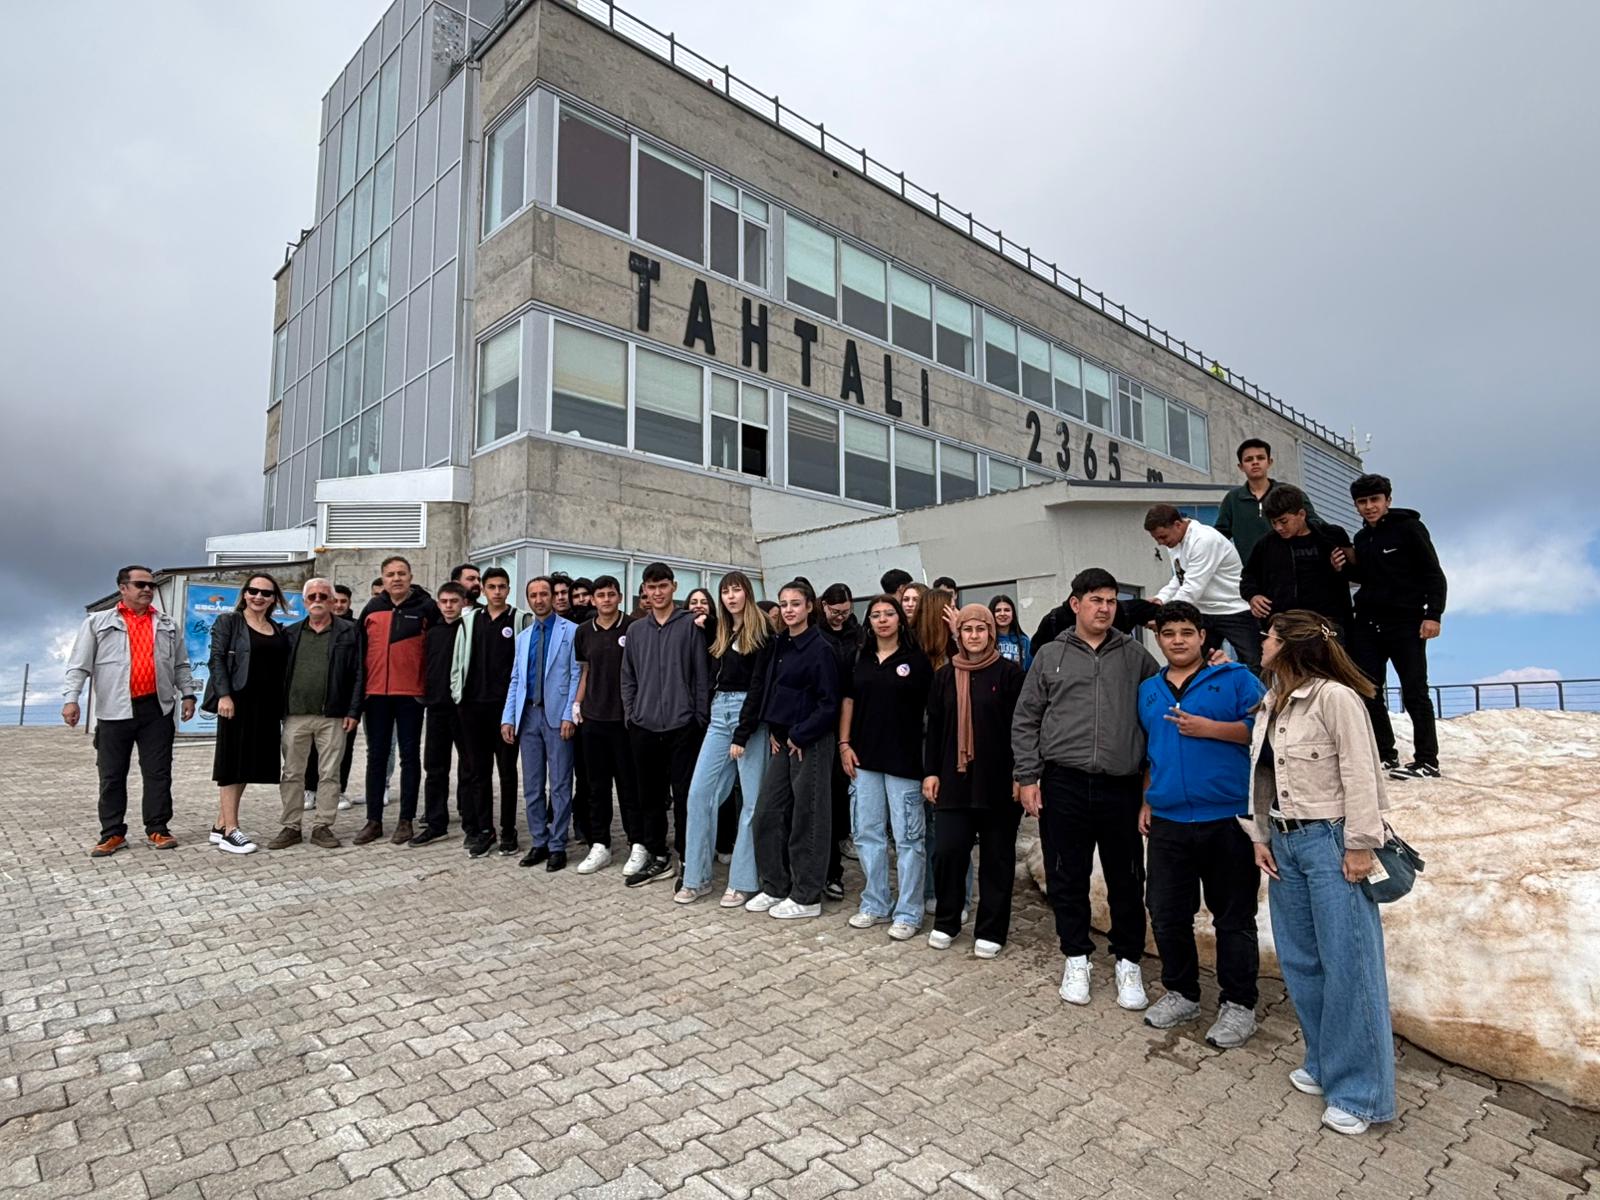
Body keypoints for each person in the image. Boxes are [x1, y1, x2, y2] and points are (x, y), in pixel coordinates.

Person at [1245, 610, 1395, 1136]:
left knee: (1349, 964)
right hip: (1285, 842)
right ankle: (1325, 1061)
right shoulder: (1273, 701)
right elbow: (1261, 774)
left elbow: (1362, 772)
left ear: (1290, 645)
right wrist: (1260, 835)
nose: (1262, 642)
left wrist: (1360, 845)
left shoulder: (1336, 698)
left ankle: (1361, 1093)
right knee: (1303, 962)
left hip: (1331, 841)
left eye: (1269, 636)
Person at [1013, 567, 1159, 1010]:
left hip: (1121, 785)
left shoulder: (1136, 657)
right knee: (1067, 875)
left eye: (1111, 601)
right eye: (1096, 600)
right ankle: (1076, 957)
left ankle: (1128, 962)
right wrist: (1027, 777)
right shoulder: (1050, 655)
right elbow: (1026, 718)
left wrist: (1150, 790)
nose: (1105, 608)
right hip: (1064, 783)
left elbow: (1159, 716)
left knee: (1127, 878)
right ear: (1075, 604)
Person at [1136, 602, 1266, 1046]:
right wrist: (1147, 798)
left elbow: (1264, 731)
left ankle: (1239, 1004)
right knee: (1166, 911)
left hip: (1227, 818)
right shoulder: (1149, 690)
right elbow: (1150, 751)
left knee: (1233, 917)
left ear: (1203, 636)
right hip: (1169, 820)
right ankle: (1182, 992)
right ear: (1158, 638)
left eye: (1187, 632)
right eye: (1169, 633)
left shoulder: (1235, 678)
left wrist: (1211, 728)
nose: (1178, 640)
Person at [63, 565, 197, 856]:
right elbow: (79, 664)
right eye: (140, 584)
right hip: (114, 710)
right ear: (123, 588)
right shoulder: (97, 622)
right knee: (111, 775)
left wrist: (188, 694)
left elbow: (180, 664)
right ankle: (112, 833)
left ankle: (158, 828)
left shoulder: (166, 624)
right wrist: (71, 699)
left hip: (156, 709)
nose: (148, 589)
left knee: (158, 773)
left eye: (151, 585)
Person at [923, 604, 1025, 957]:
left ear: (991, 633)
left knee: (997, 859)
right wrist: (931, 772)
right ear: (959, 634)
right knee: (948, 852)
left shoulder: (1010, 674)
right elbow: (934, 727)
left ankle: (991, 930)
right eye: (968, 629)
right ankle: (947, 921)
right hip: (954, 780)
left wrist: (1022, 775)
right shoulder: (943, 676)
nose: (974, 635)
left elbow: (1022, 729)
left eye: (981, 629)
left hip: (999, 782)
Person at [1341, 474, 1448, 779]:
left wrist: (1434, 614)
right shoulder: (1362, 538)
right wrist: (1344, 568)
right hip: (1367, 623)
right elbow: (1370, 576)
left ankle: (1427, 760)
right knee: (1368, 691)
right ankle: (1385, 755)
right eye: (1362, 502)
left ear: (1387, 500)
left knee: (1415, 692)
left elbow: (1433, 573)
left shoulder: (1410, 529)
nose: (1369, 506)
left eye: (1375, 500)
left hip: (1406, 622)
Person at [745, 580, 841, 919]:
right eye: (784, 604)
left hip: (809, 742)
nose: (788, 610)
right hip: (783, 741)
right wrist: (776, 729)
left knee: (808, 818)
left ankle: (806, 895)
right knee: (766, 814)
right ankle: (775, 885)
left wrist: (800, 734)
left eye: (795, 603)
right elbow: (774, 690)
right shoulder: (779, 644)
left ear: (810, 607)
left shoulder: (821, 648)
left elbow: (829, 704)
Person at [839, 595, 932, 939]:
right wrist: (844, 744)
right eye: (875, 615)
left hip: (904, 762)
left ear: (900, 620)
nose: (882, 620)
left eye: (888, 614)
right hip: (864, 760)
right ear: (869, 622)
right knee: (868, 834)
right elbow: (848, 701)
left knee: (908, 839)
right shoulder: (859, 659)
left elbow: (931, 713)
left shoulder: (917, 661)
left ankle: (909, 912)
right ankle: (876, 903)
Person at [676, 571, 772, 905]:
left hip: (749, 718)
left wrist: (743, 732)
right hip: (719, 715)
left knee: (751, 802)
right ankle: (696, 877)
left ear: (748, 593)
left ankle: (744, 880)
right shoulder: (721, 630)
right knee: (699, 794)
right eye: (725, 591)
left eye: (737, 590)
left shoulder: (761, 631)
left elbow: (759, 686)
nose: (731, 596)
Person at [620, 563, 711, 886]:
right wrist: (632, 715)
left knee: (685, 796)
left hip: (683, 726)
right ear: (644, 590)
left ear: (674, 586)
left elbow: (701, 676)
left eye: (662, 586)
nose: (657, 593)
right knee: (650, 796)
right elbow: (628, 677)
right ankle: (658, 856)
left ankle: (688, 858)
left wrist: (699, 718)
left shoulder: (690, 626)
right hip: (644, 726)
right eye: (651, 587)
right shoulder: (636, 631)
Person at [269, 578, 362, 850]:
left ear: (332, 601)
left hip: (333, 715)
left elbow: (360, 673)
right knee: (292, 773)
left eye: (323, 596)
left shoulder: (350, 632)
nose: (318, 600)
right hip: (295, 715)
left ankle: (323, 826)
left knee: (330, 773)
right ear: (304, 602)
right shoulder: (290, 633)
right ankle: (291, 826)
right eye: (312, 596)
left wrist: (354, 710)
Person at [204, 573, 291, 855]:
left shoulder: (277, 628)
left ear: (274, 599)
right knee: (231, 764)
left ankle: (220, 825)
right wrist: (224, 695)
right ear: (244, 594)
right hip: (237, 702)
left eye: (266, 593)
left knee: (246, 765)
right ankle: (231, 831)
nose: (258, 597)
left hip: (266, 705)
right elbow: (216, 659)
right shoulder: (229, 622)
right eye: (253, 591)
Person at [353, 556, 439, 846]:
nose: (396, 578)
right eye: (390, 574)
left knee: (409, 757)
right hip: (376, 695)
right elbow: (359, 653)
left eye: (402, 573)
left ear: (410, 577)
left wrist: (427, 689)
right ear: (383, 579)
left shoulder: (426, 607)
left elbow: (436, 651)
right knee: (376, 757)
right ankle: (373, 821)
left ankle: (406, 820)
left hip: (410, 695)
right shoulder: (372, 608)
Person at [500, 577, 580, 871]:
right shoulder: (523, 637)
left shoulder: (571, 631)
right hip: (528, 717)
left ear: (553, 597)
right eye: (533, 595)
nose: (539, 599)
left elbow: (576, 674)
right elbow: (516, 679)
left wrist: (569, 715)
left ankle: (558, 844)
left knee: (560, 785)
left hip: (557, 717)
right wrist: (508, 717)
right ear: (528, 600)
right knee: (532, 786)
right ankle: (539, 841)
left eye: (544, 594)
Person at [1144, 504, 1262, 669]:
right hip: (1203, 612)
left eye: (1163, 537)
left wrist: (1163, 616)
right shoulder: (1175, 542)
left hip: (1234, 609)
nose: (1161, 543)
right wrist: (1160, 599)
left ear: (1177, 524)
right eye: (1157, 539)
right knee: (1194, 665)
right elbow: (1180, 579)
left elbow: (1192, 588)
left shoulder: (1204, 540)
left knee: (1255, 663)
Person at [573, 575, 637, 874]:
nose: (606, 600)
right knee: (596, 787)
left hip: (625, 721)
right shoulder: (584, 631)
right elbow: (585, 672)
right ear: (593, 599)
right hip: (593, 719)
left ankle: (638, 843)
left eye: (611, 594)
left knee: (629, 787)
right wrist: (577, 704)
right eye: (601, 595)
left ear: (619, 597)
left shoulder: (633, 628)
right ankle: (600, 845)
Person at [457, 566, 521, 857]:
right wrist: (458, 695)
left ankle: (508, 830)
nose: (497, 592)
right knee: (478, 772)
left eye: (502, 586)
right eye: (491, 587)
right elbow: (459, 660)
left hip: (505, 710)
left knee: (507, 772)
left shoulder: (519, 620)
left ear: (508, 589)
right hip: (473, 708)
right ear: (483, 589)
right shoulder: (470, 620)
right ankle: (486, 830)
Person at [1240, 485, 1354, 633]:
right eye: (1273, 522)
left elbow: (1357, 572)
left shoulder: (1329, 537)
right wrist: (1253, 596)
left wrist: (1340, 568)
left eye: (1283, 521)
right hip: (1284, 625)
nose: (1278, 528)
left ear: (1301, 514)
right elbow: (1248, 576)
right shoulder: (1266, 544)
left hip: (1326, 624)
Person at [416, 582, 471, 847]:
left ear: (464, 603)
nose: (449, 606)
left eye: (454, 601)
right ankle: (436, 823)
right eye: (444, 601)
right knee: (435, 768)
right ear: (438, 604)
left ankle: (472, 822)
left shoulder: (470, 630)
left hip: (464, 709)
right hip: (436, 708)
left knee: (469, 767)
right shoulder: (433, 632)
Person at [1214, 438, 1323, 564]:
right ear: (1241, 466)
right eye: (1249, 459)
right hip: (1252, 570)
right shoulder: (1232, 499)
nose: (1255, 462)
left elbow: (1316, 524)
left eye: (1260, 458)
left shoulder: (1290, 493)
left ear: (1269, 462)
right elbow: (1218, 537)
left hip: (1293, 567)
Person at [818, 582, 860, 898]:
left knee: (844, 790)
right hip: (821, 722)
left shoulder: (858, 634)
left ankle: (843, 844)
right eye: (835, 611)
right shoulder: (815, 633)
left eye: (845, 611)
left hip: (853, 720)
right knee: (825, 797)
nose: (840, 617)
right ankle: (828, 868)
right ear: (823, 606)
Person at [305, 582, 359, 813]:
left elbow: (359, 671)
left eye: (343, 601)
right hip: (312, 703)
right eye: (335, 601)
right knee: (310, 750)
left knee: (342, 751)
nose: (338, 605)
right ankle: (310, 788)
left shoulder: (355, 630)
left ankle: (339, 790)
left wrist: (354, 708)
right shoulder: (305, 628)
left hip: (342, 704)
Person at [989, 595, 1031, 670]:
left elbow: (1030, 669)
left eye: (1007, 610)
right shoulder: (987, 640)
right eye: (998, 610)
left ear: (1013, 614)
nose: (1002, 614)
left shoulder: (1024, 641)